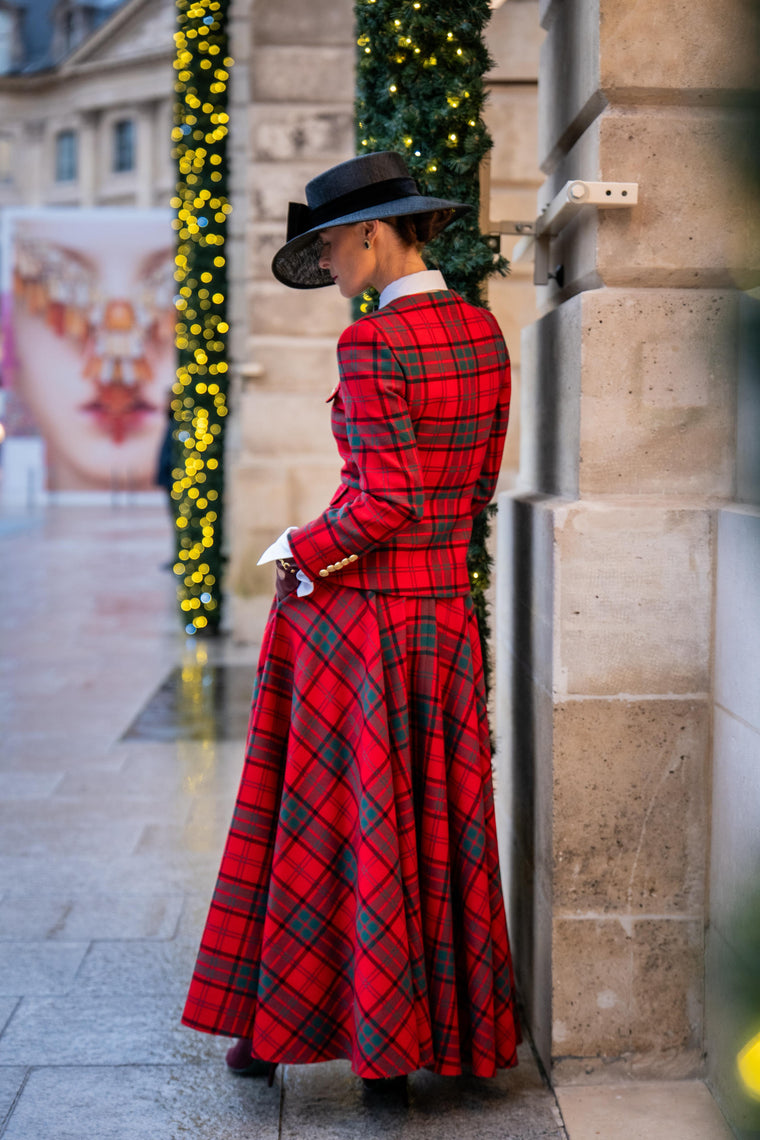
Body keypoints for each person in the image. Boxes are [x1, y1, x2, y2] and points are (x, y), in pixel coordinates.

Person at [181, 151, 520, 1093]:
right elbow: (477, 486)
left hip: (364, 626)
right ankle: (422, 1044)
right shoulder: (485, 333)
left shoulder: (374, 343)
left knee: (324, 821)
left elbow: (381, 504)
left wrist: (294, 550)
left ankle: (284, 1025)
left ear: (374, 233)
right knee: (432, 821)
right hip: (443, 621)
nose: (328, 264)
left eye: (328, 244)